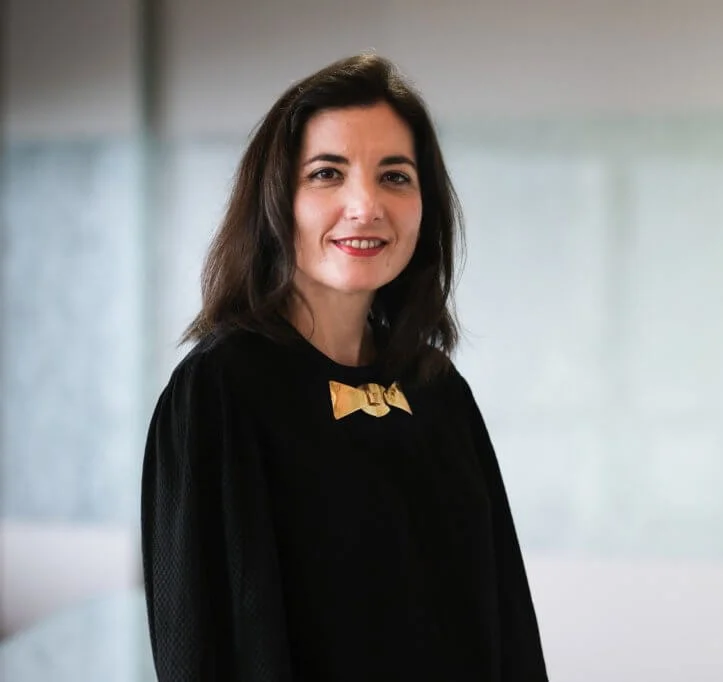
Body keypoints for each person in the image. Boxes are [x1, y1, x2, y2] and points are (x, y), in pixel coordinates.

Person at [140, 53, 548, 681]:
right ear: (276, 198)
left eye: (395, 176)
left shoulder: (439, 389)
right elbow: (206, 648)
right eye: (327, 173)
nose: (365, 206)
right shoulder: (220, 391)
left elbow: (508, 625)